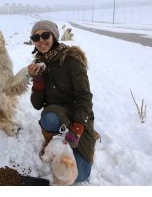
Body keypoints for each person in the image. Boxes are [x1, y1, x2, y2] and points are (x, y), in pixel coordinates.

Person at [27, 20, 96, 183]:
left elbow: (84, 97)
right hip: (55, 115)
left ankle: (80, 138)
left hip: (77, 114)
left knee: (80, 174)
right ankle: (55, 140)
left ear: (54, 36)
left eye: (45, 35)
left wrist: (79, 126)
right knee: (49, 116)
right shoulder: (39, 65)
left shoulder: (71, 59)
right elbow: (37, 104)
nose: (41, 41)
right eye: (36, 37)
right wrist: (37, 81)